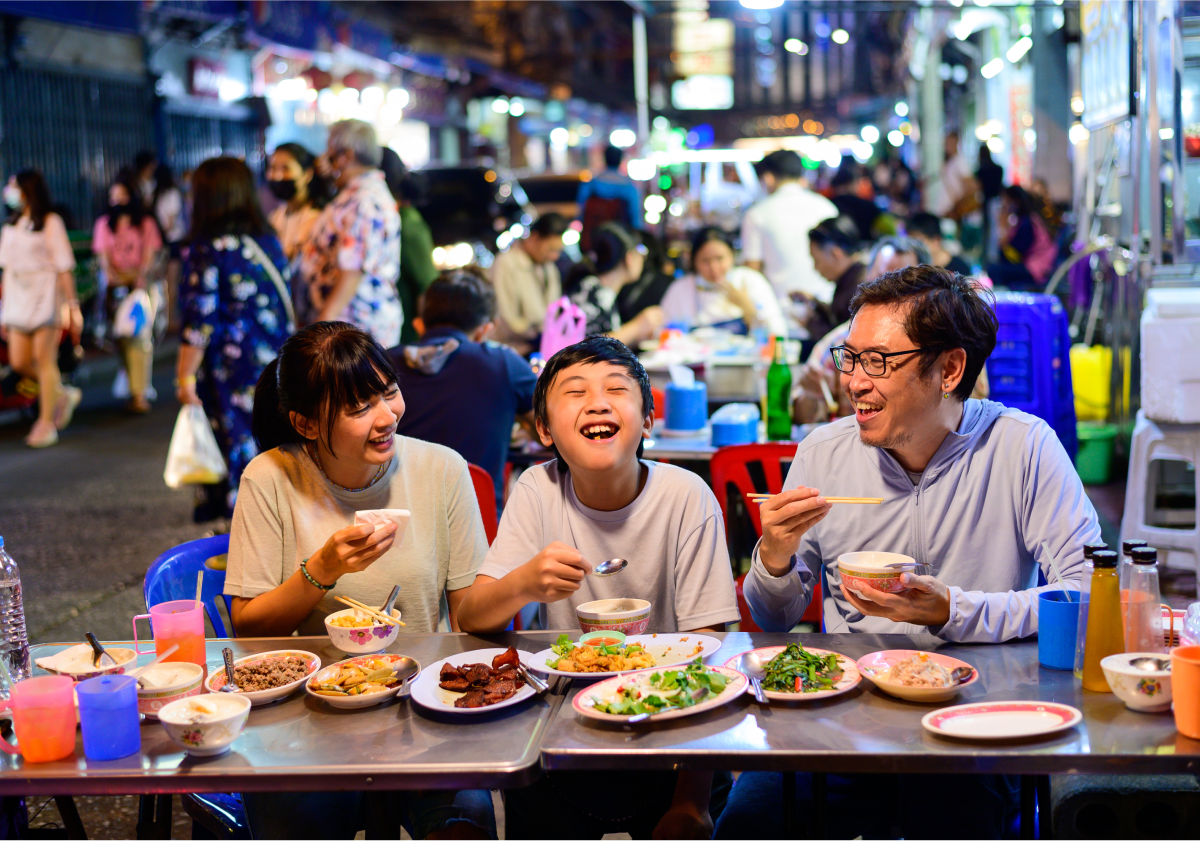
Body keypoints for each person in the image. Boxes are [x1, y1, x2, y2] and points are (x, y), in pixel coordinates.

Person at [717, 266, 1101, 841]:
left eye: (878, 361)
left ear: (949, 369)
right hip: (842, 716)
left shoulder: (1022, 447)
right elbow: (775, 618)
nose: (854, 382)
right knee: (747, 826)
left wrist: (956, 611)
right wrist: (773, 555)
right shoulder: (823, 451)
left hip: (975, 716)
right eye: (850, 358)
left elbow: (1092, 594)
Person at [454, 336, 739, 840]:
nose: (598, 402)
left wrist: (692, 803)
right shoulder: (537, 490)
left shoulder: (686, 497)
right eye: (575, 391)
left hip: (674, 738)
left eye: (616, 388)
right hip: (562, 740)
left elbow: (710, 656)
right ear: (543, 428)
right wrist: (523, 583)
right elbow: (472, 618)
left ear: (649, 418)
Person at [226, 321, 498, 841]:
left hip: (426, 705)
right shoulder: (269, 478)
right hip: (309, 717)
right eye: (357, 409)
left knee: (466, 821)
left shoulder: (442, 469)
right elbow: (248, 627)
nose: (386, 417)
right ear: (306, 424)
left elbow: (469, 616)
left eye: (389, 393)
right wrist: (321, 571)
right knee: (290, 823)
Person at [176, 157, 294, 523]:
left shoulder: (208, 248)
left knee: (236, 451)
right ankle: (278, 532)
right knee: (270, 447)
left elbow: (200, 321)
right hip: (275, 363)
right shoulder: (267, 240)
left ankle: (246, 545)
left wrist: (183, 377)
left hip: (229, 371)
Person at [391, 268, 537, 511]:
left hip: (397, 525)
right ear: (485, 330)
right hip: (480, 529)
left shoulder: (382, 363)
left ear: (420, 324)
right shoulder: (504, 364)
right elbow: (550, 431)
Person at [0, 170, 83, 447]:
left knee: (43, 359)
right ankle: (61, 392)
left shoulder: (50, 222)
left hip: (45, 298)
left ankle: (46, 423)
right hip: (17, 300)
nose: (9, 191)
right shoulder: (11, 225)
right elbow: (6, 268)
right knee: (20, 361)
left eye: (13, 186)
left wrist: (72, 306)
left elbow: (64, 266)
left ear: (28, 190)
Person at [303, 119, 402, 346]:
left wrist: (318, 332)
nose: (324, 163)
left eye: (329, 155)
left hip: (352, 333)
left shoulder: (364, 201)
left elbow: (353, 270)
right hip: (345, 328)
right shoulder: (356, 195)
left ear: (346, 156)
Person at [92, 171, 162, 413]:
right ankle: (133, 385)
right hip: (115, 293)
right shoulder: (103, 225)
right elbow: (104, 263)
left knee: (140, 340)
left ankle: (139, 393)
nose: (117, 201)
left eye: (122, 196)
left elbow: (149, 260)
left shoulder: (147, 225)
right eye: (113, 196)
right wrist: (121, 277)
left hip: (140, 292)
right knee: (121, 340)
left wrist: (137, 278)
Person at [741, 149, 838, 302]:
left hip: (782, 308)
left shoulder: (756, 214)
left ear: (768, 178)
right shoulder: (827, 207)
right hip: (828, 303)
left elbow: (752, 272)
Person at [659, 226, 787, 336]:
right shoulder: (681, 289)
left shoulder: (750, 280)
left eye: (720, 259)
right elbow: (663, 333)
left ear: (732, 255)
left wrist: (747, 307)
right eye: (705, 261)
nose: (714, 268)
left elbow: (778, 333)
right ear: (693, 261)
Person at [266, 142, 331, 327]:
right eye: (272, 168)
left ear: (307, 174)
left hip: (311, 316)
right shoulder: (276, 216)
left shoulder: (319, 218)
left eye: (285, 169)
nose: (277, 176)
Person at [568, 223, 664, 345]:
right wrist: (637, 326)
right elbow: (585, 347)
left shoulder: (601, 291)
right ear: (629, 257)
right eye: (640, 252)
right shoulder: (590, 290)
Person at [380, 149, 439, 345]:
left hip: (402, 340)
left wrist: (426, 341)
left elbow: (427, 286)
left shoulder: (407, 224)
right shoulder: (389, 219)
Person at [490, 212, 567, 356]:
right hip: (512, 352)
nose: (554, 256)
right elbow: (505, 318)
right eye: (550, 249)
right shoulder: (505, 264)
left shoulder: (548, 266)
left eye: (558, 251)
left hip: (542, 348)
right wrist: (537, 336)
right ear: (534, 237)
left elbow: (555, 309)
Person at [804, 215, 866, 341]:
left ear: (835, 253)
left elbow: (843, 341)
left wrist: (809, 322)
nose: (815, 268)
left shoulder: (861, 287)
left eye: (817, 260)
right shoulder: (852, 278)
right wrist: (815, 304)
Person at [988, 185, 1057, 292]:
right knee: (994, 268)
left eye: (1006, 201)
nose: (1003, 205)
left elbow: (1012, 255)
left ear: (1015, 201)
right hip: (1031, 266)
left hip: (1036, 270)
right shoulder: (1023, 220)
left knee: (994, 270)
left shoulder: (1027, 223)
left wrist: (1002, 224)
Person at [576, 145, 641, 249]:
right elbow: (635, 218)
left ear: (604, 159)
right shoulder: (629, 187)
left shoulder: (591, 184)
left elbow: (581, 211)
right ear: (620, 161)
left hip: (593, 237)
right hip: (620, 240)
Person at [151, 163, 187, 332]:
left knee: (161, 283)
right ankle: (170, 318)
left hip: (158, 242)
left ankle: (163, 319)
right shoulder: (173, 193)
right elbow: (171, 223)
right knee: (172, 283)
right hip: (172, 242)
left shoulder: (155, 194)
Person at [829, 165, 894, 241]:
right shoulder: (866, 205)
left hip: (831, 248)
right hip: (863, 248)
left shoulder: (826, 204)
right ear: (852, 183)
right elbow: (888, 227)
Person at [927, 131, 978, 223]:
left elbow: (971, 188)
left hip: (950, 214)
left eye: (950, 142)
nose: (947, 145)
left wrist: (955, 208)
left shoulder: (960, 161)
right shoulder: (949, 162)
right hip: (943, 213)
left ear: (956, 143)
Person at [907, 212, 972, 275]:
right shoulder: (914, 267)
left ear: (936, 240)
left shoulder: (960, 269)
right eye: (910, 242)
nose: (913, 247)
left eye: (918, 242)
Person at [976, 144, 1005, 262]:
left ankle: (988, 257)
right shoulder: (998, 169)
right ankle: (993, 256)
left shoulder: (980, 171)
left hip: (986, 201)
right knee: (995, 230)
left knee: (988, 230)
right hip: (997, 201)